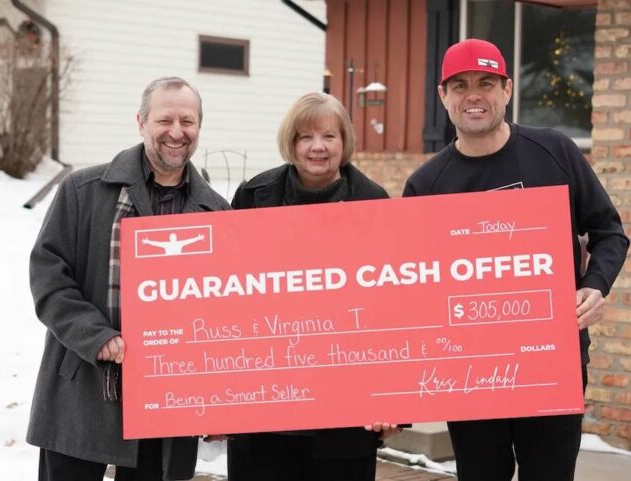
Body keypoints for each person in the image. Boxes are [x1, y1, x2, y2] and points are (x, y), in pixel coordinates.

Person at [403, 39, 630, 481]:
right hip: (469, 370)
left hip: (551, 359)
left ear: (507, 90)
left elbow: (609, 231)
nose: (473, 95)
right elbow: (415, 282)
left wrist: (594, 285)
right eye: (460, 85)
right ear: (443, 95)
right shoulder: (426, 184)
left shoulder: (555, 151)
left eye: (486, 83)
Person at [28, 77, 230, 481]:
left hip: (167, 398)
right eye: (164, 120)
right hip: (82, 387)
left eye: (187, 121)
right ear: (141, 122)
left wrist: (218, 398)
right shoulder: (82, 191)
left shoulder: (217, 214)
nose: (176, 132)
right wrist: (95, 335)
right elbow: (49, 275)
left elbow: (226, 311)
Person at [227, 92, 398, 481]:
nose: (317, 146)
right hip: (264, 411)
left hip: (347, 415)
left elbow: (392, 306)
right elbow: (226, 296)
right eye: (305, 136)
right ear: (291, 142)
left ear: (344, 142)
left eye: (329, 136)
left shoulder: (375, 203)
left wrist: (393, 400)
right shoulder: (252, 197)